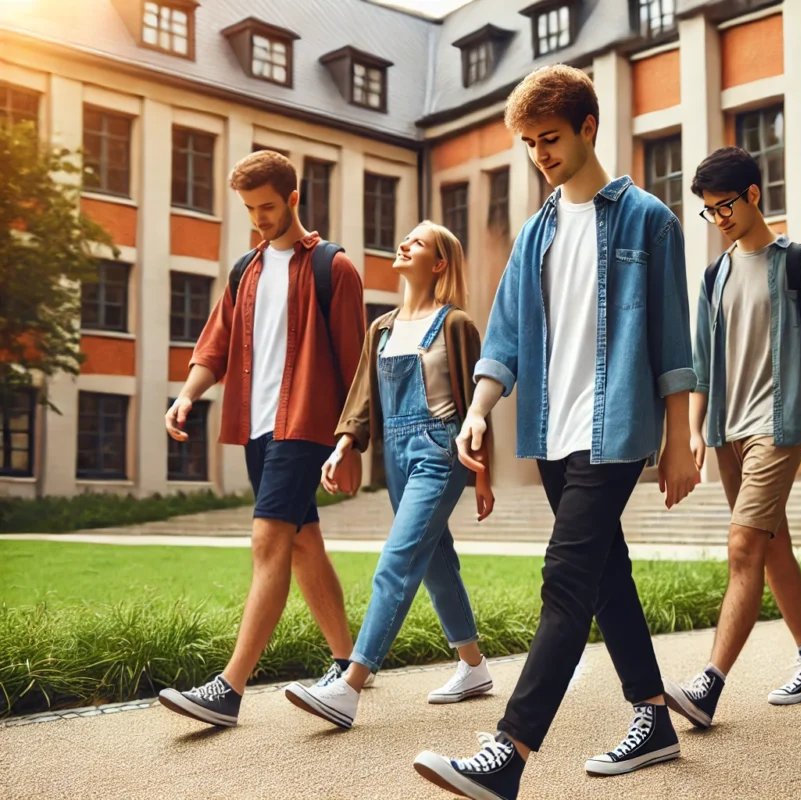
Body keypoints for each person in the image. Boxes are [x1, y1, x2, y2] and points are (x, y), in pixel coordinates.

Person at [411, 65, 699, 800]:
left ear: (588, 129)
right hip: (552, 431)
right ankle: (654, 719)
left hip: (615, 429)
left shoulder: (648, 220)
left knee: (564, 581)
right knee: (608, 578)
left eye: (550, 138)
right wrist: (478, 408)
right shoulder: (536, 231)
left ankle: (508, 753)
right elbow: (503, 337)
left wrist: (679, 439)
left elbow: (672, 344)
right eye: (530, 143)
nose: (540, 153)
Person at [157, 151, 366, 727]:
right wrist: (187, 394)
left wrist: (352, 442)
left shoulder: (333, 267)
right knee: (301, 544)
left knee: (267, 542)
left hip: (305, 425)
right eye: (249, 209)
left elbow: (356, 364)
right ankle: (350, 665)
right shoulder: (244, 270)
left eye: (268, 208)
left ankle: (229, 689)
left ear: (294, 199)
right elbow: (215, 345)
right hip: (257, 426)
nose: (258, 220)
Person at [662, 147, 801, 731]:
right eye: (707, 211)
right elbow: (699, 362)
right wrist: (693, 429)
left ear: (753, 195)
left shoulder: (800, 265)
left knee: (744, 546)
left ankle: (708, 686)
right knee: (771, 546)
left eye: (725, 206)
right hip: (726, 430)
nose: (718, 218)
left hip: (779, 425)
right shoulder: (714, 275)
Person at [282, 221, 496, 727]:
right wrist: (343, 446)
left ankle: (350, 685)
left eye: (418, 242)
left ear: (439, 263)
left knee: (397, 561)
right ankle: (474, 667)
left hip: (440, 452)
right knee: (436, 562)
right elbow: (361, 396)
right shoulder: (381, 328)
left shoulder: (456, 324)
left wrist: (483, 474)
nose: (404, 244)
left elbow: (476, 406)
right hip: (395, 456)